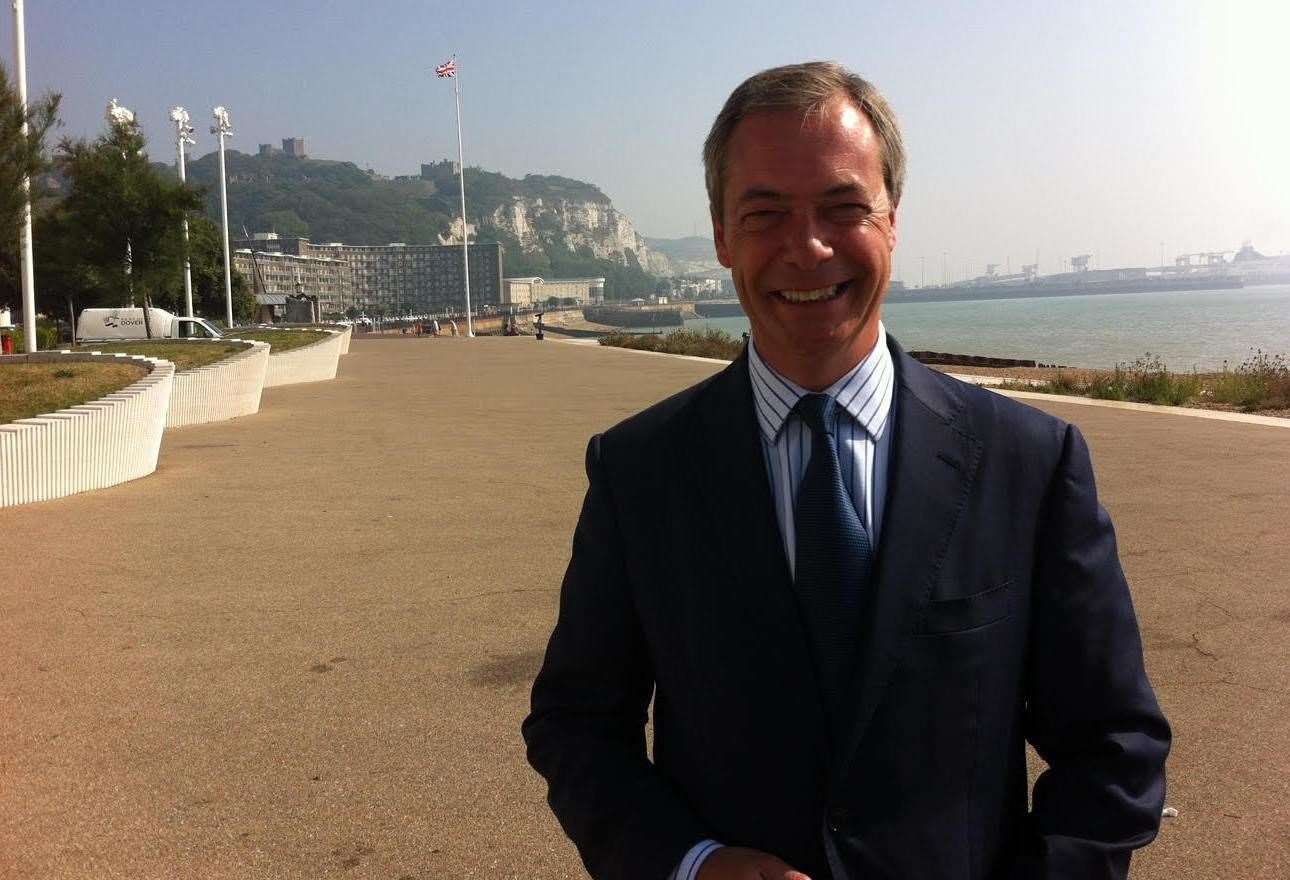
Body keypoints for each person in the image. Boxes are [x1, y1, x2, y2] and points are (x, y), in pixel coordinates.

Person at [523, 62, 1170, 880]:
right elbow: (576, 724)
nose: (809, 247)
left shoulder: (1030, 464)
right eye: (765, 213)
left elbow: (1115, 746)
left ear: (892, 220)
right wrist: (688, 863)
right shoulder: (638, 471)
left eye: (844, 207)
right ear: (722, 235)